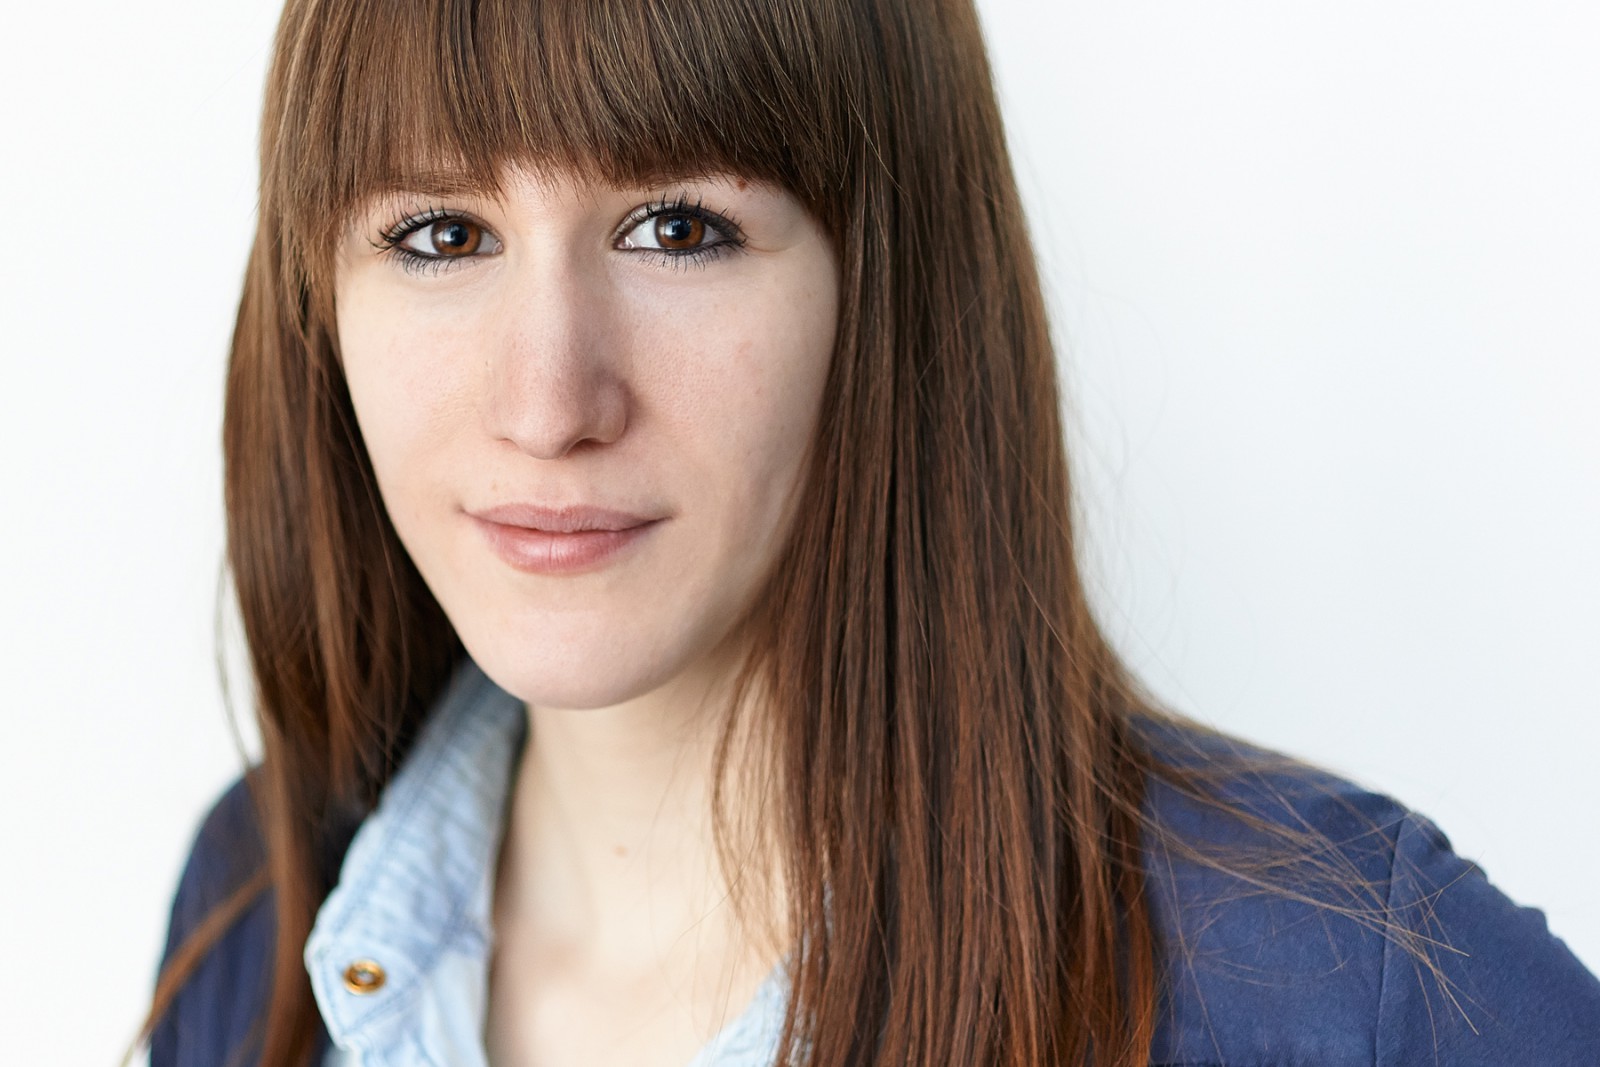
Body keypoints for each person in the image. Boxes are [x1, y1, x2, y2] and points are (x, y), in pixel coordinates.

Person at [138, 0, 1600, 1065]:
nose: (548, 402)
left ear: (887, 291)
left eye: (678, 228)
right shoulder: (260, 909)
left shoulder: (1344, 988)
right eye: (441, 235)